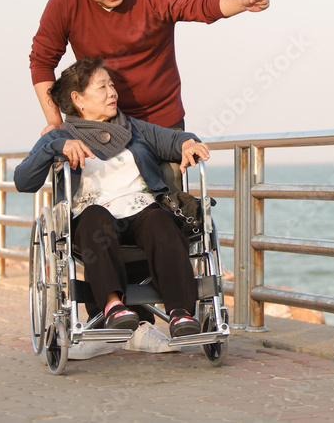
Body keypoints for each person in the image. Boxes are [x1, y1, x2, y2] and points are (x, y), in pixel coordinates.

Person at [14, 57, 211, 337]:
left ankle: (180, 312)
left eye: (112, 85)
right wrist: (57, 147)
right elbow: (23, 181)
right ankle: (113, 306)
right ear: (78, 99)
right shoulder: (59, 137)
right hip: (92, 219)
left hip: (141, 211)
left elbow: (172, 139)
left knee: (161, 221)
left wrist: (188, 143)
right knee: (96, 218)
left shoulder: (133, 128)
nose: (112, 93)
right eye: (102, 87)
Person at [29, 0, 280, 135]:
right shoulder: (64, 1)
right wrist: (55, 123)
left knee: (168, 196)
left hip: (162, 123)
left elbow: (199, 3)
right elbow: (41, 61)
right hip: (100, 127)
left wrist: (242, 1)